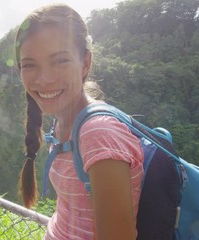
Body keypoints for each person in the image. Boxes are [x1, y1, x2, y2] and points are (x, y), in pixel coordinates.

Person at [15, 3, 144, 240]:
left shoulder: (99, 134)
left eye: (60, 61)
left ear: (85, 63)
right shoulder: (64, 123)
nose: (44, 79)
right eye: (30, 65)